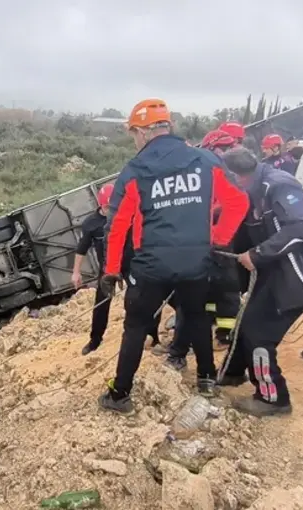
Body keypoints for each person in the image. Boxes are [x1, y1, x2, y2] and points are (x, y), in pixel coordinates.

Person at [98, 98, 249, 414]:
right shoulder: (205, 160)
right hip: (196, 262)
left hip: (151, 265)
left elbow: (117, 226)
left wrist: (111, 269)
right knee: (196, 316)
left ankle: (119, 394)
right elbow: (238, 202)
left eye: (134, 134)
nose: (135, 140)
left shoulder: (135, 170)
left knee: (136, 325)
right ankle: (206, 379)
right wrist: (216, 241)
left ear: (143, 132)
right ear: (168, 126)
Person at [218, 148, 303, 417]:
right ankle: (233, 371)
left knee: (259, 332)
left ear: (235, 176)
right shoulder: (252, 189)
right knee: (246, 319)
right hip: (278, 268)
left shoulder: (279, 185)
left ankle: (273, 397)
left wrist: (258, 254)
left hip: (302, 271)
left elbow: (301, 227)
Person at [162, 129, 244, 368]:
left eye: (229, 147)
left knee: (219, 292)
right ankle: (185, 349)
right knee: (198, 300)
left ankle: (187, 350)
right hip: (203, 246)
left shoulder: (223, 173)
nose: (226, 152)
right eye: (223, 148)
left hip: (216, 245)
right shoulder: (199, 172)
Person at [72, 183, 161, 355]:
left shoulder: (128, 213)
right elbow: (81, 248)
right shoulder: (91, 224)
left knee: (144, 297)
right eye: (107, 207)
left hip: (130, 264)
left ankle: (153, 335)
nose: (111, 209)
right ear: (100, 205)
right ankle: (95, 340)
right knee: (101, 304)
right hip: (108, 269)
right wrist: (76, 272)